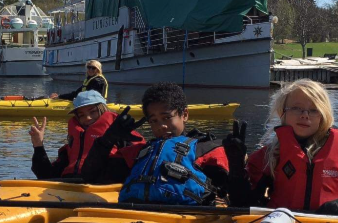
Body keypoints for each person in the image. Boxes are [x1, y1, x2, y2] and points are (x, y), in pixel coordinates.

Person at [226, 79, 338, 214]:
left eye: (313, 110)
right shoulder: (268, 155)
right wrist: (236, 169)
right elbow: (242, 204)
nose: (305, 115)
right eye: (296, 108)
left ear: (323, 115)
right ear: (283, 113)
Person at [80, 83, 231, 205]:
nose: (161, 126)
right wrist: (107, 140)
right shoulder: (139, 153)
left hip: (185, 219)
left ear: (184, 115)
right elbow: (90, 176)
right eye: (153, 121)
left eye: (166, 118)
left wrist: (236, 164)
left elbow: (235, 195)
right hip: (135, 215)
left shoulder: (204, 149)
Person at [29, 90, 144, 183]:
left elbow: (140, 165)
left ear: (103, 110)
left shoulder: (122, 135)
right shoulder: (71, 148)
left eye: (93, 112)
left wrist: (108, 140)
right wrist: (38, 146)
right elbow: (46, 177)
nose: (87, 118)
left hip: (103, 191)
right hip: (69, 191)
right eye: (81, 115)